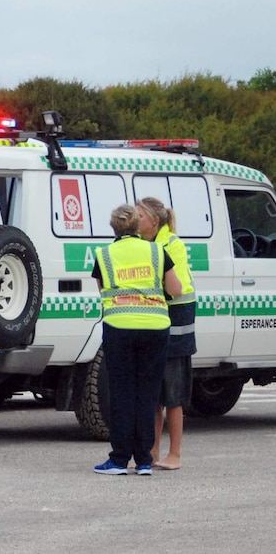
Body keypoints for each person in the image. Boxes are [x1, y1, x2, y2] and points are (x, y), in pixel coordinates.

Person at [92, 204, 183, 475]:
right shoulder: (157, 251)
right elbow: (175, 289)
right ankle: (144, 460)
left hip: (119, 327)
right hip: (155, 328)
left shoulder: (104, 254)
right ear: (137, 225)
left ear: (114, 227)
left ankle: (119, 459)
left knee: (121, 394)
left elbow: (103, 290)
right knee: (148, 394)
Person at [137, 197, 196, 471]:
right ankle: (152, 450)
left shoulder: (173, 244)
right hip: (155, 323)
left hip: (176, 326)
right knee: (154, 396)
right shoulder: (144, 245)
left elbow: (177, 288)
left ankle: (175, 454)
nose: (136, 221)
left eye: (140, 216)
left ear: (154, 221)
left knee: (172, 395)